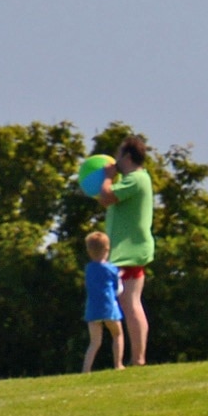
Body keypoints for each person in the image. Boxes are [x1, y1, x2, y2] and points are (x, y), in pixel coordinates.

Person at [93, 135, 158, 367]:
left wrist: (108, 177)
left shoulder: (135, 179)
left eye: (118, 154)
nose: (115, 159)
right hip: (128, 251)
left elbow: (106, 197)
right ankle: (136, 357)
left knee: (130, 303)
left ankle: (138, 358)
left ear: (127, 157)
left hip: (130, 252)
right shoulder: (135, 179)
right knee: (128, 302)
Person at [80, 228, 124, 373]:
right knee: (117, 334)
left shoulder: (88, 269)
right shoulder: (111, 269)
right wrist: (120, 276)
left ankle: (86, 369)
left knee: (94, 342)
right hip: (109, 307)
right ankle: (118, 364)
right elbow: (118, 289)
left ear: (89, 251)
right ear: (107, 249)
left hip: (92, 309)